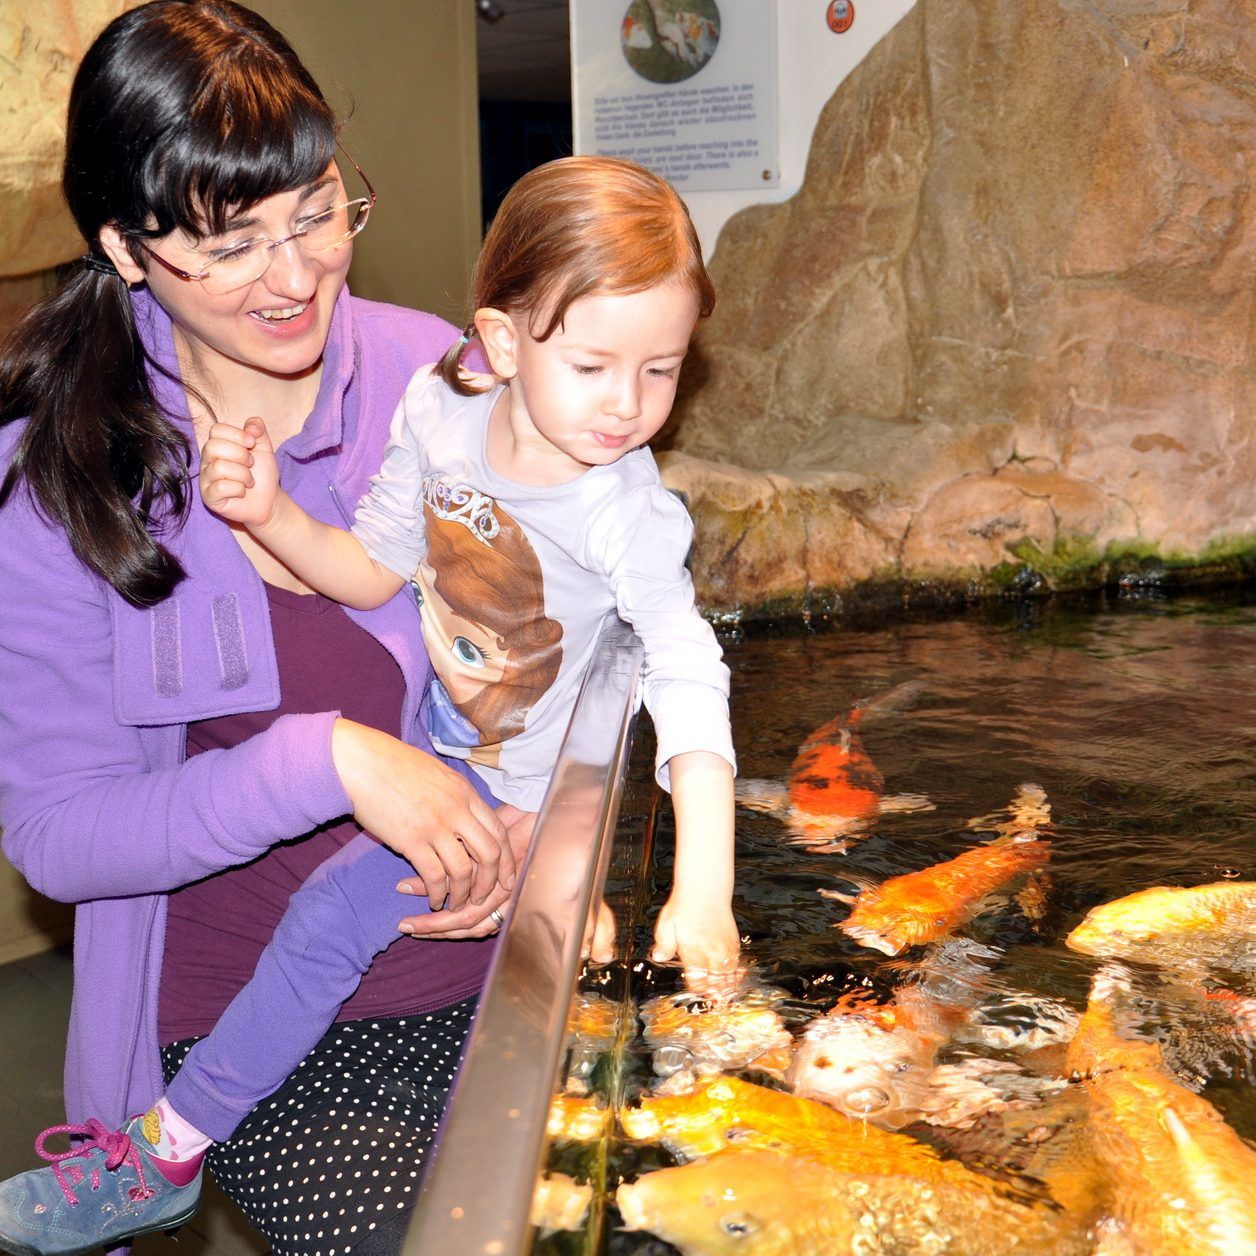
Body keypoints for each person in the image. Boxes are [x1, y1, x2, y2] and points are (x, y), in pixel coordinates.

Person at [66, 152, 735, 1250]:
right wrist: (270, 514)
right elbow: (374, 567)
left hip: (544, 793)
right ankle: (177, 1137)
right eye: (594, 365)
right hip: (452, 755)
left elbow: (688, 672)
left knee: (346, 922)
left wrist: (705, 886)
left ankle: (169, 1140)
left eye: (660, 370)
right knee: (364, 931)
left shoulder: (626, 513)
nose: (627, 406)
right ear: (503, 343)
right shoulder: (441, 409)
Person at [0, 4, 532, 1255]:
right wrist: (325, 758)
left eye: (317, 213)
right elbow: (59, 836)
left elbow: (548, 643)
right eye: (231, 243)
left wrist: (533, 811)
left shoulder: (434, 379)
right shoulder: (51, 482)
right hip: (257, 1033)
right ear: (127, 248)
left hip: (511, 966)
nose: (295, 278)